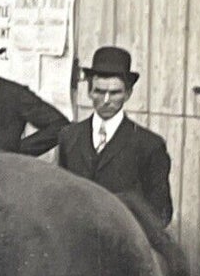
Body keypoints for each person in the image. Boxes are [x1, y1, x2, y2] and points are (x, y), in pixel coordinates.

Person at [56, 46, 173, 225]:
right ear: (89, 92)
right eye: (99, 91)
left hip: (122, 245)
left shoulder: (149, 145)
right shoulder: (69, 137)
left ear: (127, 94)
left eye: (115, 93)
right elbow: (60, 197)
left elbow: (161, 213)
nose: (106, 100)